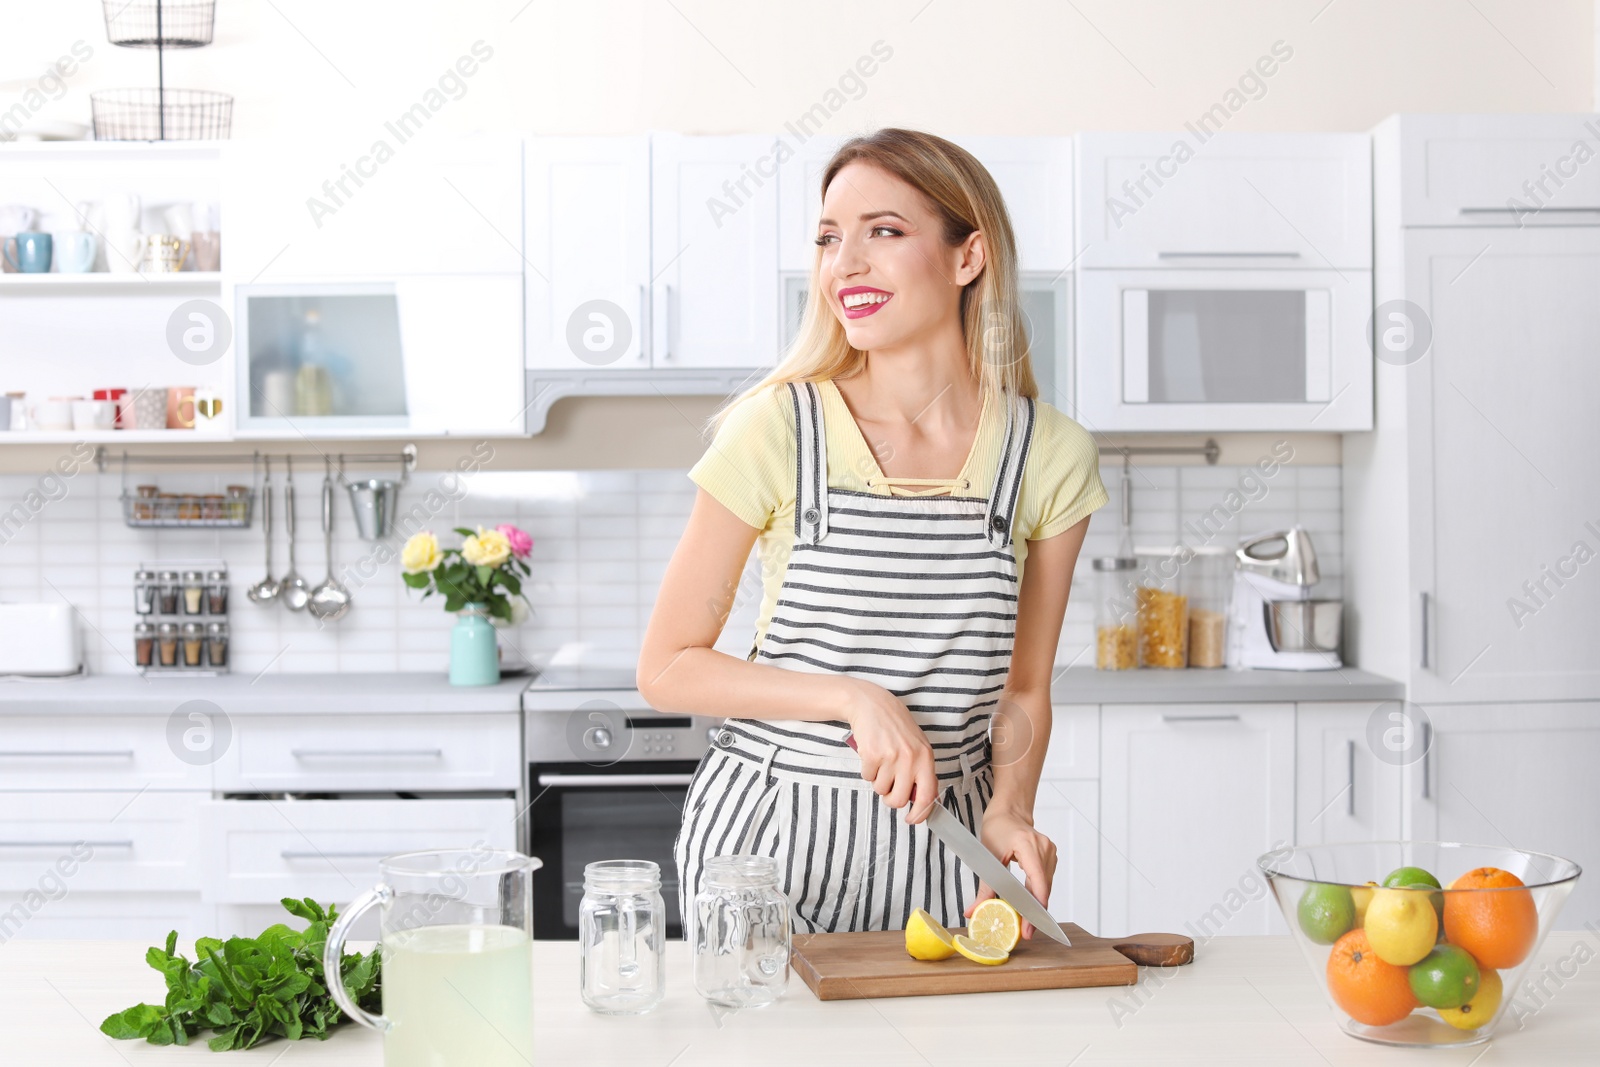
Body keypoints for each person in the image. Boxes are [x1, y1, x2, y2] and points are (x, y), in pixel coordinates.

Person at [638, 128, 1107, 937]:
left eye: (882, 232)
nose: (843, 263)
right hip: (762, 845)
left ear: (969, 258)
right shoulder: (777, 429)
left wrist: (1010, 810)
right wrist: (853, 697)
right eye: (829, 238)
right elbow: (667, 668)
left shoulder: (1049, 456)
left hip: (944, 850)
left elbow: (1024, 690)